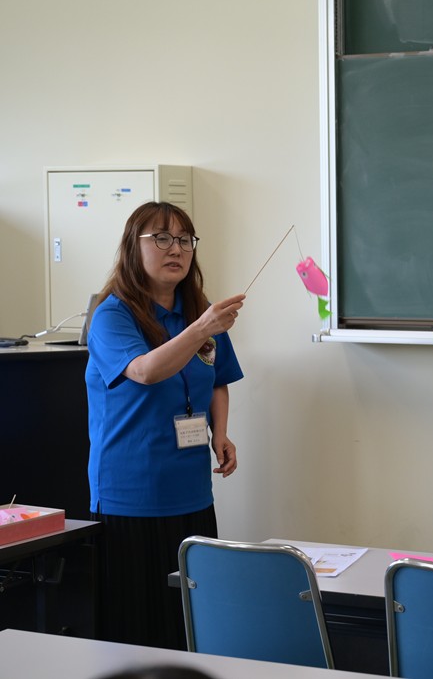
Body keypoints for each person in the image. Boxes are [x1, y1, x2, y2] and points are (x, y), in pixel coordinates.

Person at [86, 201, 245, 648]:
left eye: (184, 240)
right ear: (132, 247)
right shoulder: (112, 314)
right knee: (136, 630)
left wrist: (220, 432)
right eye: (161, 238)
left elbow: (217, 379)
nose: (176, 249)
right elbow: (144, 371)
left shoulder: (198, 310)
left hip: (191, 490)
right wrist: (201, 329)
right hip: (129, 495)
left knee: (190, 627)